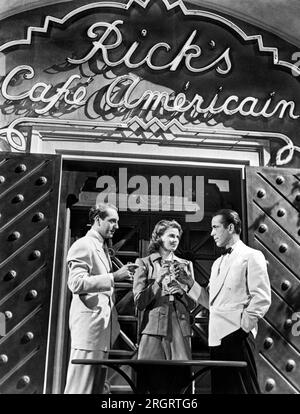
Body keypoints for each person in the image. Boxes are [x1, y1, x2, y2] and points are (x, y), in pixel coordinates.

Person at [180, 209, 271, 394]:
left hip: (238, 336)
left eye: (215, 227)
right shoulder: (217, 264)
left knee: (245, 390)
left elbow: (261, 297)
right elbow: (211, 304)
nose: (212, 233)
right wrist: (189, 283)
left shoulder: (252, 256)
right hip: (216, 339)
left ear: (230, 227)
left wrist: (243, 328)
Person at [64, 203, 135, 394]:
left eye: (117, 222)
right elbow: (76, 283)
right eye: (112, 221)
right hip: (89, 331)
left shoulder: (99, 247)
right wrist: (114, 277)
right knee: (80, 387)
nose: (116, 226)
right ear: (97, 220)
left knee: (94, 388)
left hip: (99, 332)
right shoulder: (83, 245)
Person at [132, 219, 199, 393]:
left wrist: (182, 292)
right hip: (153, 329)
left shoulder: (185, 265)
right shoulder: (144, 263)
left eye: (177, 236)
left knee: (179, 384)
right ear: (159, 237)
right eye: (171, 235)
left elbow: (193, 304)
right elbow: (139, 302)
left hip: (180, 329)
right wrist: (158, 282)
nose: (175, 239)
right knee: (151, 382)